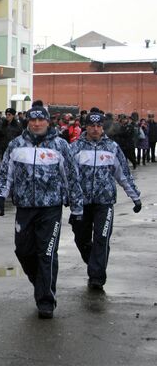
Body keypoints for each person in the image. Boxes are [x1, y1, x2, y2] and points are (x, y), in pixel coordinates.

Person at [0, 102, 83, 319]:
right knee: (23, 251)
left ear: (47, 121)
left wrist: (77, 207)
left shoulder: (60, 146)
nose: (36, 123)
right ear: (28, 122)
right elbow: (6, 174)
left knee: (47, 253)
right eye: (32, 120)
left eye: (40, 119)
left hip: (50, 208)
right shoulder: (16, 145)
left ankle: (46, 300)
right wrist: (0, 196)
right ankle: (40, 283)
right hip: (24, 207)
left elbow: (71, 178)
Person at [69, 111, 141, 290]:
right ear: (86, 126)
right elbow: (67, 176)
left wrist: (135, 197)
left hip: (105, 202)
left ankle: (97, 277)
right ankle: (94, 262)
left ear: (102, 127)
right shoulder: (75, 148)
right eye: (91, 126)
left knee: (102, 238)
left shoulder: (112, 147)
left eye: (98, 126)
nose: (95, 129)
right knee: (81, 239)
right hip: (82, 203)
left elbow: (123, 174)